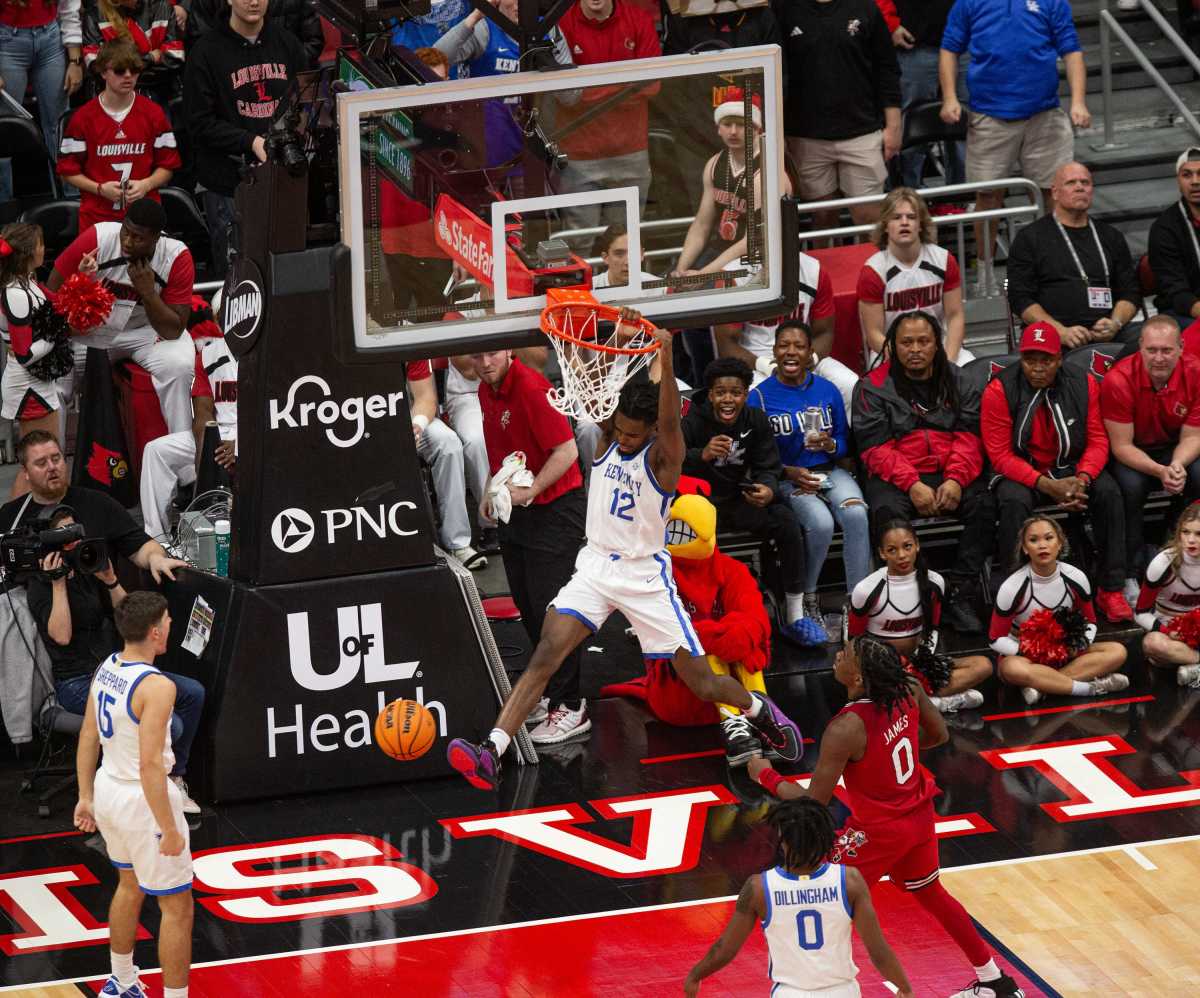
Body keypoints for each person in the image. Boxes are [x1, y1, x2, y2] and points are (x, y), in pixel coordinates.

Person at [446, 315, 804, 789]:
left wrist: (666, 352)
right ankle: (491, 749)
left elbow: (672, 417)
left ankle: (760, 711)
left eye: (636, 433)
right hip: (594, 565)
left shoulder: (664, 457)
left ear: (654, 431)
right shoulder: (610, 435)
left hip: (644, 576)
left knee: (701, 681)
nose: (625, 438)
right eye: (621, 430)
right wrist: (570, 329)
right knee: (547, 652)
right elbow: (588, 387)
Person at [748, 636, 1026, 998]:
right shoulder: (907, 689)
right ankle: (995, 983)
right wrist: (887, 749)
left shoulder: (844, 728)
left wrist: (766, 776)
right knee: (932, 894)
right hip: (919, 814)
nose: (838, 655)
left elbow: (813, 805)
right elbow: (939, 734)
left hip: (878, 831)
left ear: (860, 678)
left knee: (817, 901)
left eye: (846, 654)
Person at [26, 505, 204, 812]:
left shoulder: (87, 567)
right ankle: (146, 787)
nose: (74, 544)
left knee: (193, 694)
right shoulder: (40, 584)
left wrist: (110, 580)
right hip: (77, 681)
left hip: (118, 670)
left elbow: (131, 625)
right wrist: (57, 583)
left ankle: (173, 777)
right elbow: (62, 635)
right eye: (66, 538)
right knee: (170, 725)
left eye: (75, 534)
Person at [73, 591, 194, 998]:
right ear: (156, 633)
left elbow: (88, 734)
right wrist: (168, 827)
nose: (172, 625)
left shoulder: (108, 666)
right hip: (144, 802)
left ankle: (121, 982)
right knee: (177, 908)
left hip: (108, 789)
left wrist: (85, 795)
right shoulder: (157, 687)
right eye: (169, 621)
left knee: (129, 886)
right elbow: (150, 766)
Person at [683, 797, 914, 997]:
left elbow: (725, 949)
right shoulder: (849, 881)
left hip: (790, 993)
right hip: (843, 992)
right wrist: (904, 987)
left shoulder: (759, 888)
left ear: (782, 839)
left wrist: (696, 974)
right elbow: (878, 952)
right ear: (824, 835)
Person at [981, 321, 1133, 623]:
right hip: (1023, 470)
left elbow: (1098, 438)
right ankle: (1016, 594)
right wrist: (1046, 485)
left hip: (1072, 467)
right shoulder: (999, 389)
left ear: (1060, 359)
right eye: (1030, 360)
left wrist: (1083, 478)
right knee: (1012, 501)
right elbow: (999, 455)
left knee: (1109, 491)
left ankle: (1111, 587)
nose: (1037, 368)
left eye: (1046, 360)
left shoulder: (1084, 382)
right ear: (1020, 358)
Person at [473, 347, 588, 745]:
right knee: (527, 604)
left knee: (553, 612)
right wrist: (494, 490)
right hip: (520, 511)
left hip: (556, 508)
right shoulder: (485, 390)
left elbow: (568, 451)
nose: (484, 362)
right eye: (476, 357)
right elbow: (506, 457)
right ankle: (546, 692)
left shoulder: (533, 388)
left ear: (507, 351)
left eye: (491, 355)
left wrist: (532, 491)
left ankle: (571, 705)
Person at [853, 311, 993, 633]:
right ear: (892, 346)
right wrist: (913, 483)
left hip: (950, 471)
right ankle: (911, 595)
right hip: (897, 476)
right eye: (906, 342)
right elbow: (874, 449)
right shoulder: (871, 387)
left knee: (985, 504)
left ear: (936, 345)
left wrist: (956, 479)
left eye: (923, 341)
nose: (915, 349)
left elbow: (971, 437)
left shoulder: (961, 381)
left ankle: (959, 593)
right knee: (887, 513)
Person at [939, 0, 1089, 296]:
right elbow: (949, 50)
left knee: (1055, 194)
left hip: (1044, 112)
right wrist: (949, 97)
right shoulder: (968, 2)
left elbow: (1072, 51)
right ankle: (984, 276)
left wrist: (1079, 100)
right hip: (990, 113)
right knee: (987, 198)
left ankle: (1056, 268)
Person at [682, 357, 815, 644]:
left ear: (745, 394)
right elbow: (669, 464)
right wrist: (700, 455)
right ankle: (688, 614)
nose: (728, 399)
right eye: (720, 393)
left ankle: (794, 613)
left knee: (786, 520)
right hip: (699, 505)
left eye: (736, 393)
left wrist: (767, 488)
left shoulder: (756, 419)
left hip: (738, 498)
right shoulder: (691, 420)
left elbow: (770, 466)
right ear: (710, 393)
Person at [747, 321, 872, 620]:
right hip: (788, 479)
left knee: (856, 513)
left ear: (810, 352)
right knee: (821, 522)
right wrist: (788, 472)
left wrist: (830, 445)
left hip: (829, 471)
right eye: (784, 346)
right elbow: (755, 459)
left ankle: (859, 601)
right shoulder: (759, 397)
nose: (791, 352)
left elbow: (844, 443)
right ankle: (808, 596)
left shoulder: (828, 390)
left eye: (799, 346)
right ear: (774, 352)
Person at [48, 198, 196, 435]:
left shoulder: (177, 256)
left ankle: (182, 459)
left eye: (138, 237)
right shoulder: (98, 237)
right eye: (126, 232)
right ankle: (51, 465)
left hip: (145, 332)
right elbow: (51, 290)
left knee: (179, 367)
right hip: (93, 332)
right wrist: (80, 285)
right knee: (53, 378)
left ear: (156, 238)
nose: (127, 241)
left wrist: (148, 293)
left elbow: (173, 329)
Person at [182, 0, 308, 277]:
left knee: (284, 274)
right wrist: (251, 142)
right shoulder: (205, 52)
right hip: (228, 184)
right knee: (236, 275)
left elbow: (307, 101)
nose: (253, 1)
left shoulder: (286, 43)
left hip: (282, 179)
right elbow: (199, 123)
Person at [0, 430, 188, 585]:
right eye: (41, 463)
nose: (52, 467)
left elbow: (141, 546)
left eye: (56, 459)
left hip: (97, 618)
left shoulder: (98, 503)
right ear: (25, 472)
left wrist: (155, 558)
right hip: (32, 619)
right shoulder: (11, 514)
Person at [779, 0, 901, 231]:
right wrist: (779, 133)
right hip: (806, 136)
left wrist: (894, 125)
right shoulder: (784, 9)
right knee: (822, 218)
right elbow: (777, 75)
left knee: (869, 218)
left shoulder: (866, 8)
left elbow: (887, 68)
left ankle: (872, 268)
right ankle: (825, 268)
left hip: (861, 131)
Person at [1101, 315, 1200, 595]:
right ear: (1140, 346)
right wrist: (1160, 471)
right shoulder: (1118, 380)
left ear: (1181, 347)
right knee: (1130, 488)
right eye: (1152, 350)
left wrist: (1177, 465)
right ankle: (1130, 572)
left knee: (1198, 476)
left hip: (1175, 444)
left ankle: (1176, 552)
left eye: (1167, 350)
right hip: (1134, 449)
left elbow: (1193, 435)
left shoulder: (1197, 372)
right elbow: (1121, 446)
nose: (1159, 358)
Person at [849, 519, 992, 712]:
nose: (901, 555)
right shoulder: (866, 590)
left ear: (916, 545)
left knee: (983, 665)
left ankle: (917, 702)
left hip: (918, 662)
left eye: (907, 546)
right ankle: (943, 702)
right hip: (882, 668)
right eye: (892, 550)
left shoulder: (934, 582)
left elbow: (931, 629)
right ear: (882, 553)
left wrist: (927, 662)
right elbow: (853, 642)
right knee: (868, 690)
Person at [989, 517, 1129, 705]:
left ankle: (1043, 687)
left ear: (1060, 543)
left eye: (1048, 538)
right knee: (1011, 669)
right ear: (1024, 548)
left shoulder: (1076, 578)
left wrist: (1079, 644)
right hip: (1027, 657)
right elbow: (995, 639)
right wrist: (1029, 652)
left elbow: (1090, 622)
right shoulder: (1012, 587)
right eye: (1033, 540)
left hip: (1065, 653)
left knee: (1117, 651)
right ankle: (1088, 689)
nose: (1042, 545)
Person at [1006, 163, 1142, 351]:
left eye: (1085, 182)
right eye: (1071, 182)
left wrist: (1115, 323)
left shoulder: (1111, 236)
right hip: (1053, 332)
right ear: (1055, 192)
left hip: (1108, 331)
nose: (1080, 187)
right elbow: (1020, 298)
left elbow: (1131, 292)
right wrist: (1060, 332)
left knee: (1152, 339)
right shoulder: (1030, 238)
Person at [554, 0, 661, 231]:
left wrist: (588, 89)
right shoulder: (561, 25)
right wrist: (626, 86)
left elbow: (652, 86)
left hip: (631, 152)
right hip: (580, 156)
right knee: (580, 241)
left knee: (627, 239)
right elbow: (566, 95)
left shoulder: (639, 20)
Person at [58, 41, 180, 233]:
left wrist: (146, 184)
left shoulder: (154, 114)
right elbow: (67, 170)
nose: (128, 76)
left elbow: (168, 165)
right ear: (103, 72)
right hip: (96, 220)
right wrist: (99, 188)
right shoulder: (83, 118)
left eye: (135, 70)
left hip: (144, 220)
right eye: (119, 70)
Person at [139, 305, 237, 543]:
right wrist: (207, 449)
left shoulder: (265, 349)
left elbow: (272, 409)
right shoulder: (208, 353)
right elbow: (202, 410)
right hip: (219, 435)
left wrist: (240, 443)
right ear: (217, 318)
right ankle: (157, 541)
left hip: (257, 435)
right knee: (156, 451)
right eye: (223, 313)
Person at [857, 187, 971, 367]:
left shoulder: (943, 260)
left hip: (938, 347)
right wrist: (907, 363)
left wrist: (947, 362)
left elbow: (955, 316)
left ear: (921, 224)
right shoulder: (874, 270)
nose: (904, 223)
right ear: (886, 225)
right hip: (891, 353)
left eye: (911, 217)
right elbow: (873, 334)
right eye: (896, 217)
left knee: (975, 376)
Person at [675, 90, 781, 279]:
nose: (733, 131)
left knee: (706, 293)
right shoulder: (714, 165)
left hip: (756, 258)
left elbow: (750, 241)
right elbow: (702, 224)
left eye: (741, 125)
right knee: (670, 284)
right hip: (720, 251)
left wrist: (702, 275)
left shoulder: (766, 171)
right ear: (718, 128)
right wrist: (681, 269)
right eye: (727, 124)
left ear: (757, 128)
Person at [1, 223, 71, 500]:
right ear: (30, 251)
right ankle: (11, 528)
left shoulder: (28, 282)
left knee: (42, 461)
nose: (45, 249)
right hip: (29, 388)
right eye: (41, 244)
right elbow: (25, 354)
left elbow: (58, 307)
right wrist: (55, 336)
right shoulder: (15, 293)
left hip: (37, 384)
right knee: (35, 465)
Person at [0, 0, 83, 204]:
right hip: (7, 39)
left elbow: (69, 8)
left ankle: (70, 201)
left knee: (59, 126)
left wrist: (75, 61)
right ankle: (4, 209)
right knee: (4, 129)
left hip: (51, 39)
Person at [407, 358, 487, 570]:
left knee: (448, 443)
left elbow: (426, 398)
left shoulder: (405, 340)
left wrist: (417, 425)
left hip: (410, 415)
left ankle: (457, 543)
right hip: (362, 417)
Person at [891, 0, 962, 190]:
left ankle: (963, 196)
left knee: (966, 123)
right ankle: (906, 199)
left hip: (966, 45)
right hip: (915, 44)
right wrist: (889, 23)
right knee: (909, 126)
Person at [1136, 504, 1200, 689]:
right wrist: (1167, 632)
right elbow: (1140, 613)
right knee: (1152, 644)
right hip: (1171, 632)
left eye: (1198, 534)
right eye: (1185, 532)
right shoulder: (1163, 563)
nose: (1190, 540)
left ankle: (1193, 667)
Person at [1147, 147, 1200, 330]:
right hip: (1183, 312)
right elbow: (1176, 293)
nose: (1195, 182)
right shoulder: (1164, 228)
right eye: (1187, 175)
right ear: (1178, 180)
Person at [185, 0, 322, 67]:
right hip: (230, 85)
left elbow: (313, 41)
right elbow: (201, 46)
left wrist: (280, 68)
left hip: (290, 83)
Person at [83, 0, 184, 69]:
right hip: (115, 95)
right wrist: (150, 58)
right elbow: (96, 66)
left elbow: (174, 59)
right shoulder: (94, 15)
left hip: (159, 91)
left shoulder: (162, 6)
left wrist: (121, 66)